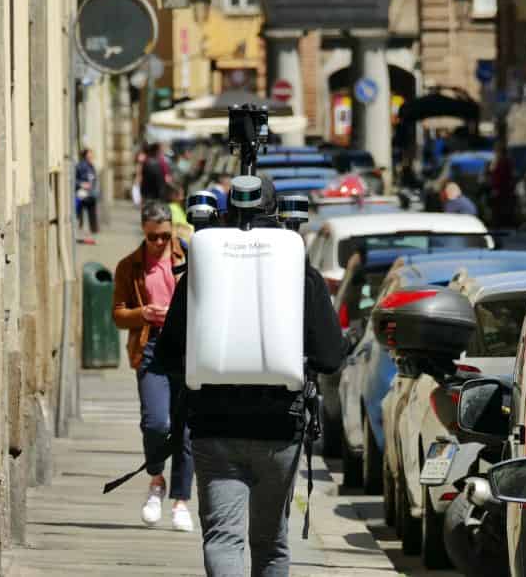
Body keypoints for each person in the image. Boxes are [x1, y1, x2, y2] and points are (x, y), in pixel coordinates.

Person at [155, 177, 343, 577]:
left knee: (223, 539)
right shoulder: (301, 273)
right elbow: (330, 356)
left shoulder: (203, 270)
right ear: (280, 216)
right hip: (280, 425)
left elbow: (168, 352)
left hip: (214, 425)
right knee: (271, 543)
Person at [112, 202, 195, 532]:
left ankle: (180, 501)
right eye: (152, 237)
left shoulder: (188, 259)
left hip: (187, 347)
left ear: (171, 232)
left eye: (163, 236)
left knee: (185, 428)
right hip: (150, 346)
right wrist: (142, 313)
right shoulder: (129, 266)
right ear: (144, 233)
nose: (159, 243)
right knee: (156, 422)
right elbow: (118, 314)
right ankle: (156, 479)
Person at [488, 140, 515, 227]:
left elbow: (501, 177)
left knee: (500, 210)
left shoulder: (503, 162)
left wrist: (496, 189)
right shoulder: (497, 161)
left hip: (502, 191)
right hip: (500, 190)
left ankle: (501, 224)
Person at [75, 147, 100, 234]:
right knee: (81, 211)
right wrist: (82, 184)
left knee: (91, 210)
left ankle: (92, 229)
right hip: (82, 193)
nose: (92, 156)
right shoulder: (81, 165)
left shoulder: (91, 165)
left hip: (90, 193)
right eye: (90, 154)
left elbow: (93, 179)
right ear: (85, 155)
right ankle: (85, 228)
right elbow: (75, 180)